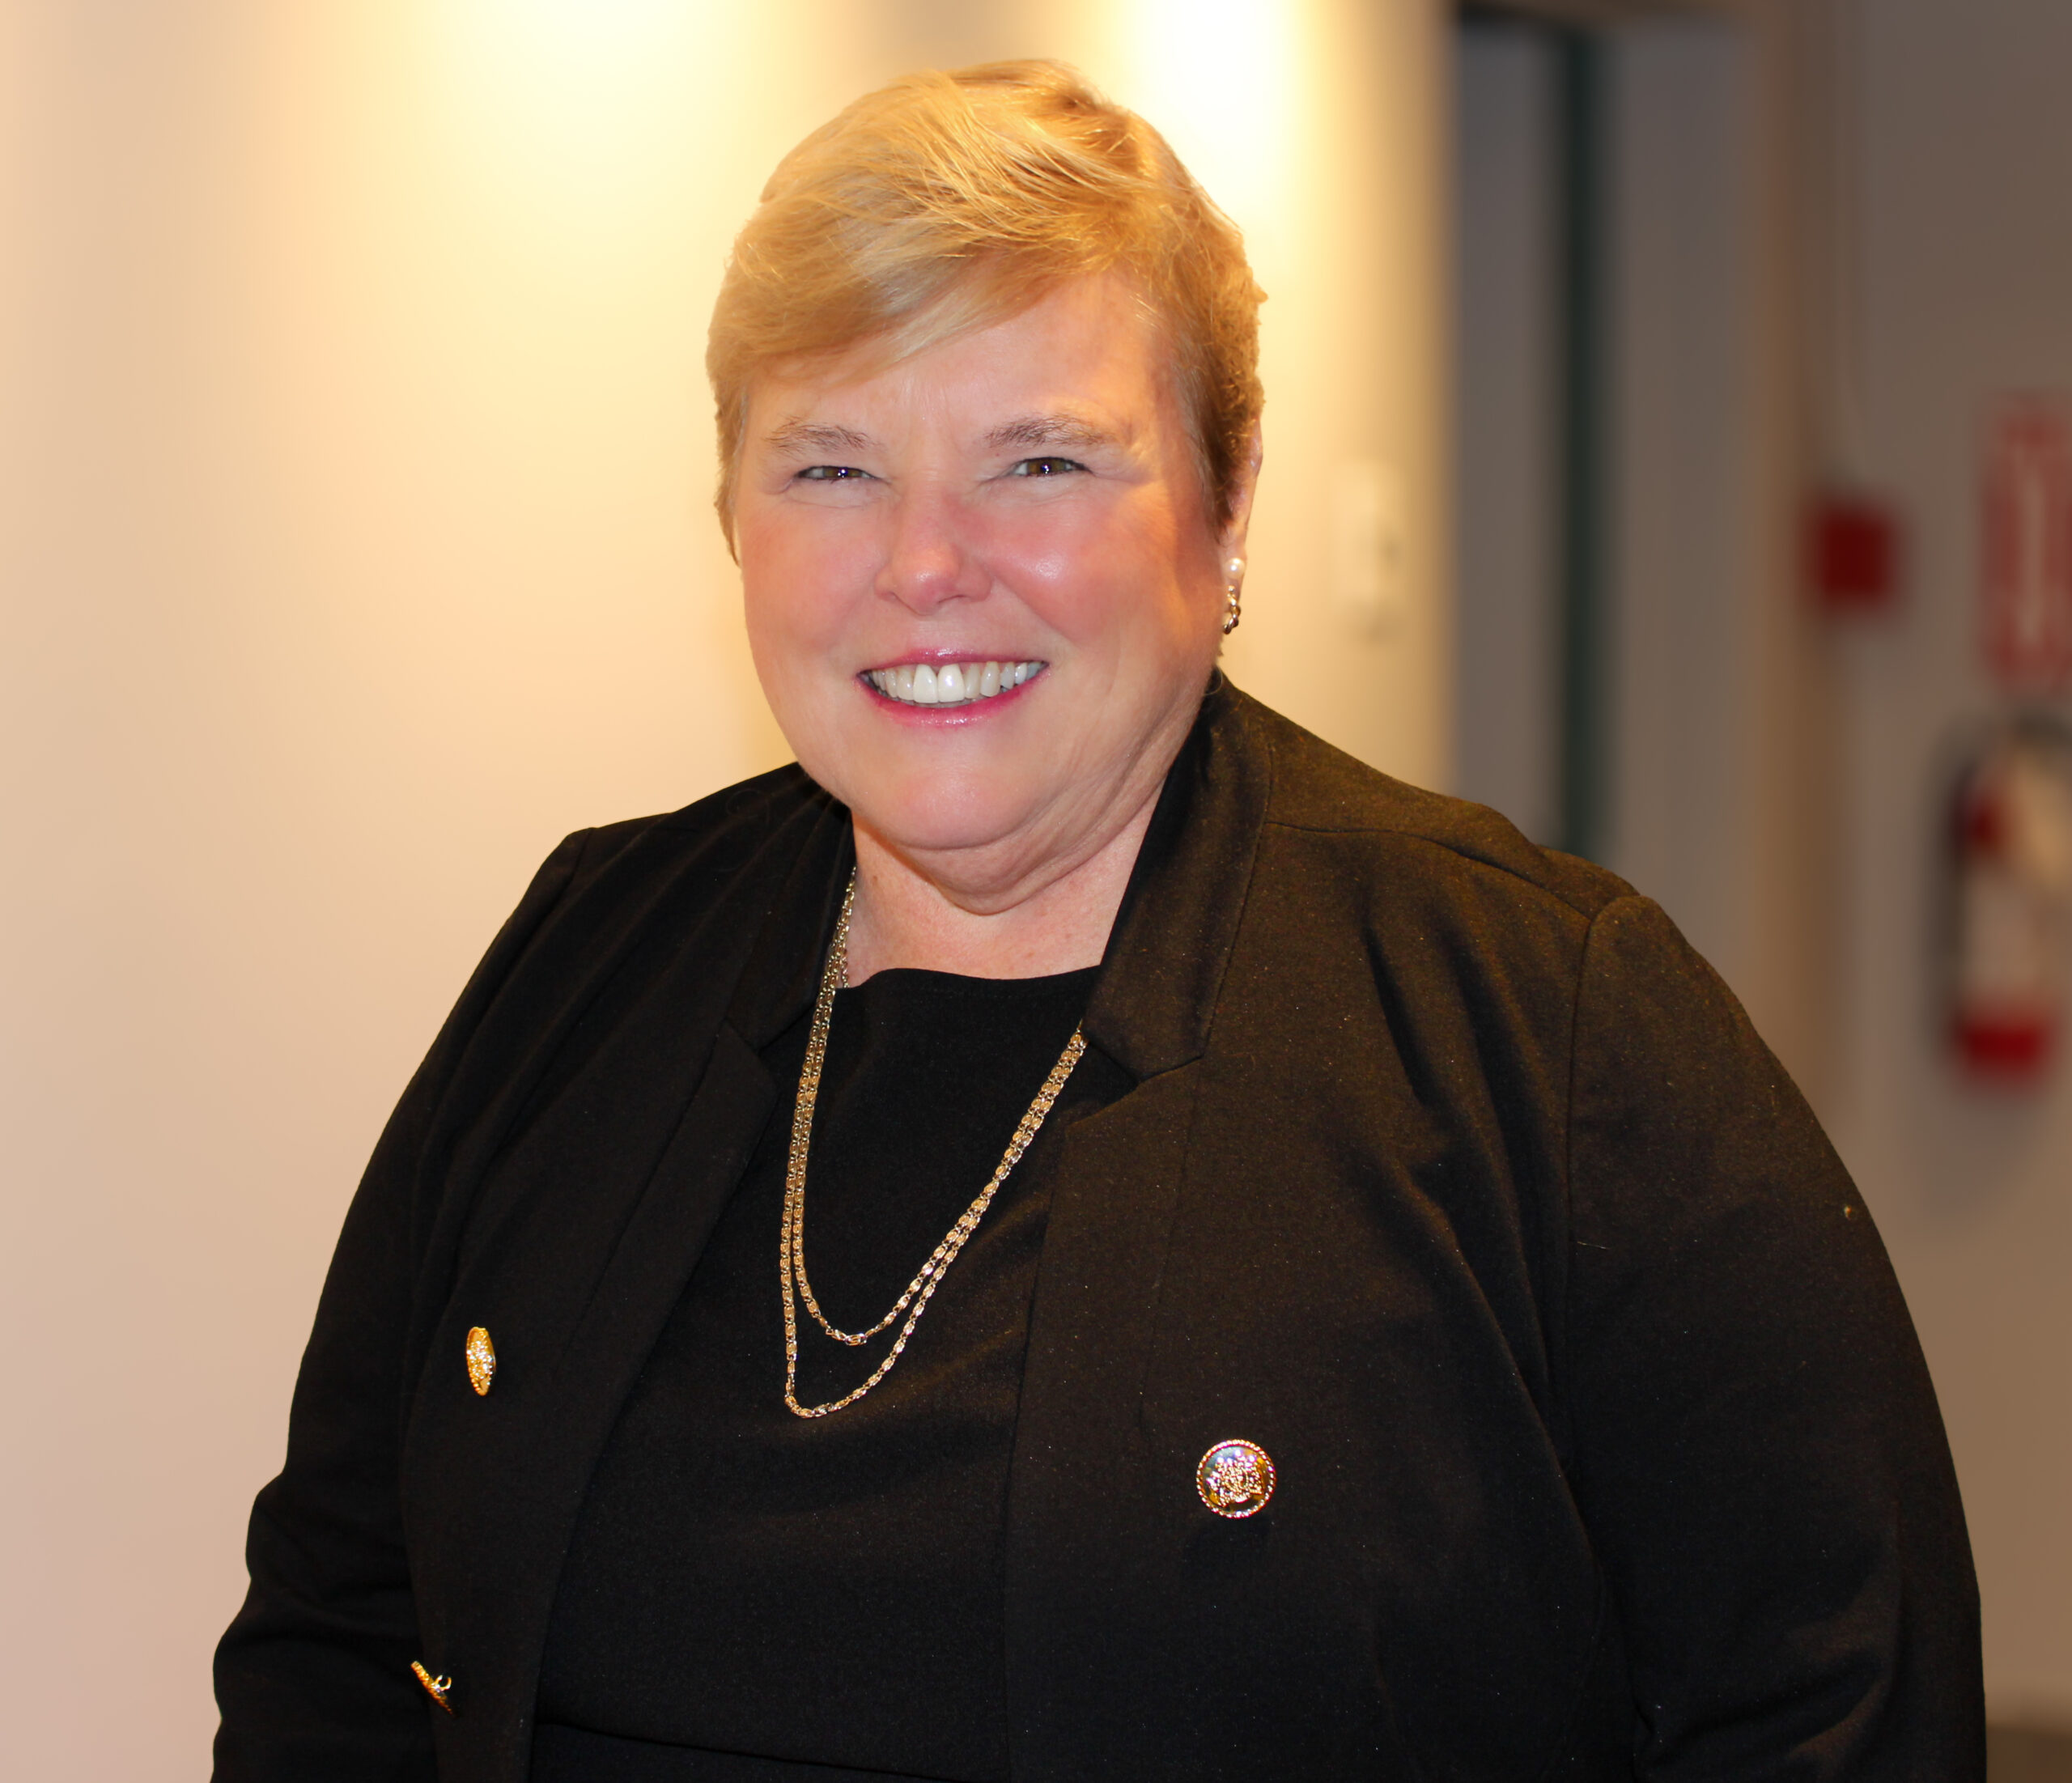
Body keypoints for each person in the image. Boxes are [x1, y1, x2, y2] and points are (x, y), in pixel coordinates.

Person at [213, 60, 1982, 1783]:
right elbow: (339, 1631)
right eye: (830, 468)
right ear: (728, 519)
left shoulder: (1551, 1032)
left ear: (1223, 513)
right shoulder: (592, 955)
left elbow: (1832, 1705)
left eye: (1040, 463)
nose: (923, 564)